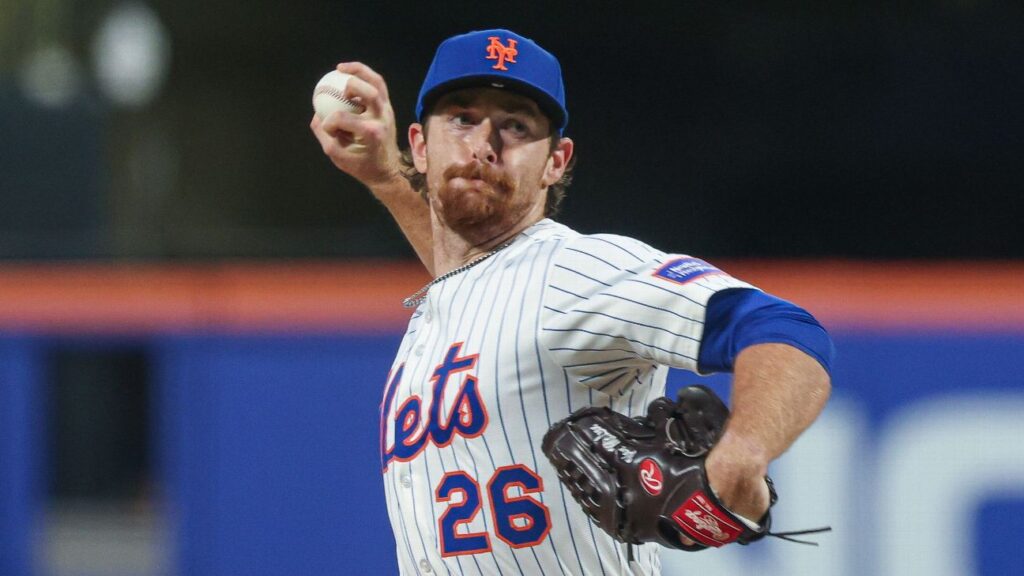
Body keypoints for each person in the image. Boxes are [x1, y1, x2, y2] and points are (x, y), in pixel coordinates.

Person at [311, 29, 833, 576]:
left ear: (556, 161)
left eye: (515, 126)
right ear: (419, 145)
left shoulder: (575, 271)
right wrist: (385, 177)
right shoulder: (451, 295)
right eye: (462, 118)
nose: (484, 144)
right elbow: (471, 276)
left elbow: (786, 329)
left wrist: (744, 451)